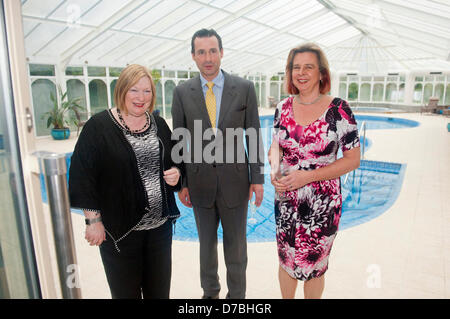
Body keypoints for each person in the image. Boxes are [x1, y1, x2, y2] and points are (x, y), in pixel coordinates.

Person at [69, 64, 183, 299]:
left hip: (159, 231)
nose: (141, 98)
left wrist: (176, 173)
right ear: (121, 90)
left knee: (160, 294)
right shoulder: (98, 127)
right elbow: (83, 174)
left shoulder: (159, 124)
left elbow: (176, 160)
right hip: (120, 232)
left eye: (147, 91)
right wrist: (93, 220)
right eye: (134, 90)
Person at [171, 29, 264, 299]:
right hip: (199, 184)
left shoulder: (244, 88)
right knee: (206, 247)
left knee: (236, 248)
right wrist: (182, 183)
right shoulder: (182, 92)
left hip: (236, 182)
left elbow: (254, 134)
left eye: (213, 51)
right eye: (201, 52)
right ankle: (210, 293)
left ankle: (237, 296)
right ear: (193, 56)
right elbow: (180, 139)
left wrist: (257, 179)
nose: (208, 57)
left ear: (221, 52)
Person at [268, 43, 360, 299]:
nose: (301, 72)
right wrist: (275, 171)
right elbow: (275, 147)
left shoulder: (339, 109)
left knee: (314, 267)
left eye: (308, 66)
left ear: (321, 73)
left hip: (322, 204)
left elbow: (353, 160)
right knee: (286, 260)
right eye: (296, 67)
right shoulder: (283, 107)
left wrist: (308, 176)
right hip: (286, 200)